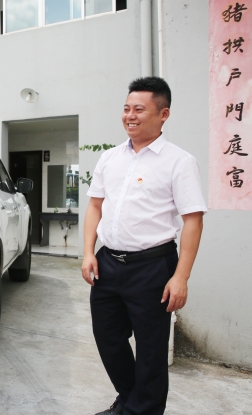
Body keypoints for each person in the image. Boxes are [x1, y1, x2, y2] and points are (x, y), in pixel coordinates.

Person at [81, 77, 206, 415]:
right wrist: (89, 251)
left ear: (163, 114)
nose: (130, 116)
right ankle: (130, 399)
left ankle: (141, 409)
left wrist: (181, 277)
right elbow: (95, 206)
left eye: (139, 109)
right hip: (108, 263)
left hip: (153, 266)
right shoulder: (110, 158)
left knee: (151, 349)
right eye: (126, 109)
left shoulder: (179, 162)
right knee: (108, 337)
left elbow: (193, 221)